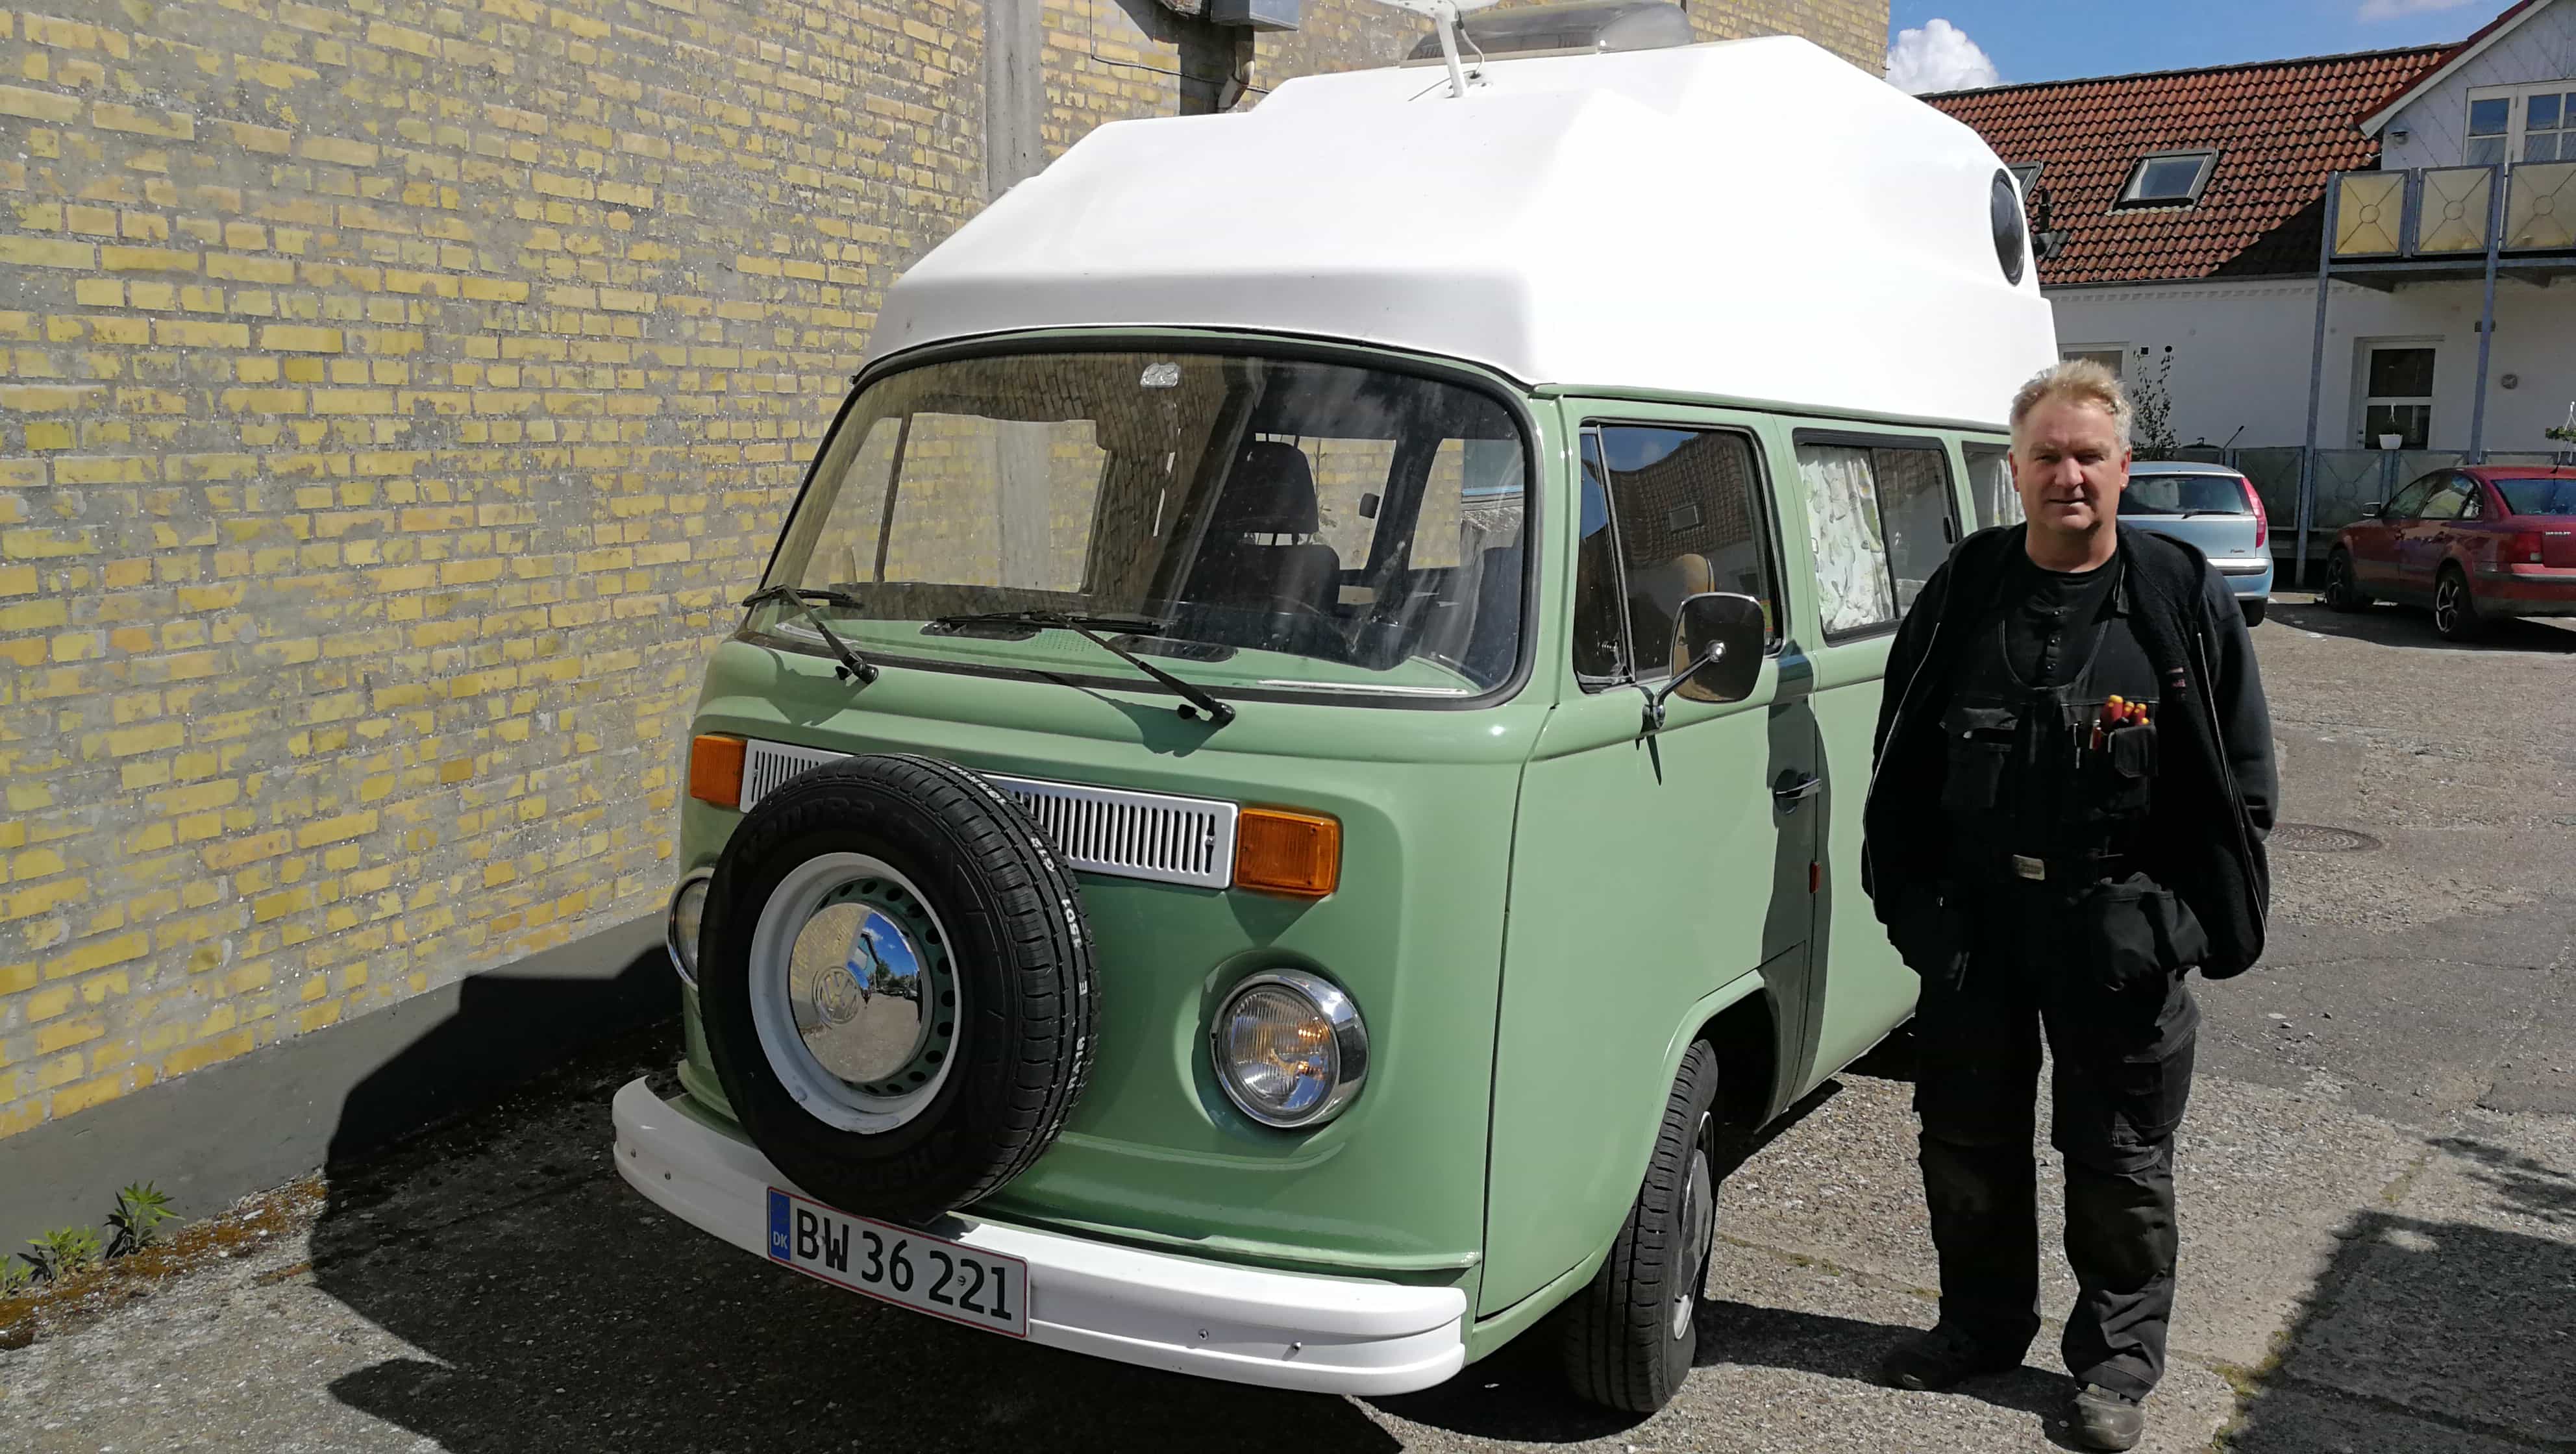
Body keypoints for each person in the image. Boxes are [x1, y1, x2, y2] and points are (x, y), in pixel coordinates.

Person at [1861, 360, 2275, 1451]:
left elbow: (2245, 791)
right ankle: (1981, 1331)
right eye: (2047, 455)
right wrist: (1918, 916)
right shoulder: (1967, 588)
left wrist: (2168, 928)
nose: (2069, 476)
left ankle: (2115, 1369)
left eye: (2089, 455)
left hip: (2117, 942)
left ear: (2124, 468)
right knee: (1965, 1143)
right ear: (2016, 469)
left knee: (2120, 1163)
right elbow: (1898, 766)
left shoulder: (2181, 596)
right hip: (1979, 934)